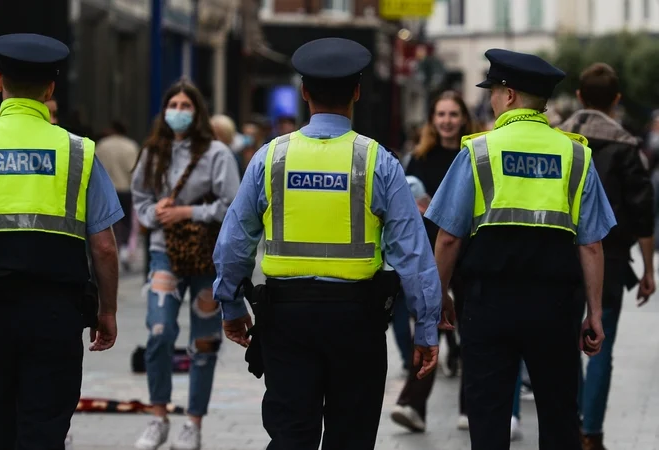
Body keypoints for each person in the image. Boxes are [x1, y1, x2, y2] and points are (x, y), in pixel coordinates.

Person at [212, 37, 443, 450]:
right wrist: (426, 326)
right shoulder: (378, 162)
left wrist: (230, 304)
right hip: (357, 321)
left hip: (286, 321)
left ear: (304, 92)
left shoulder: (270, 158)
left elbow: (235, 241)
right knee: (350, 437)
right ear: (357, 91)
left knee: (290, 436)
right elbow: (412, 253)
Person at [0, 33, 122, 448]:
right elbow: (104, 246)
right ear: (50, 88)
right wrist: (108, 312)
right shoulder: (79, 152)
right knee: (45, 426)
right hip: (57, 313)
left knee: (0, 420)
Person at [426, 48, 615, 450]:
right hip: (557, 306)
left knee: (489, 412)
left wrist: (439, 295)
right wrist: (594, 313)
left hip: (488, 305)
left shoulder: (479, 151)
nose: (490, 99)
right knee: (559, 412)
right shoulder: (577, 155)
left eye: (493, 90)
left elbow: (448, 237)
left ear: (509, 95)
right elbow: (592, 244)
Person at [131, 79, 241, 450]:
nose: (178, 111)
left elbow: (232, 204)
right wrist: (153, 213)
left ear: (198, 112)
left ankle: (193, 422)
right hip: (165, 253)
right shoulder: (152, 153)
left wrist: (187, 211)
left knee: (204, 341)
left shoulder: (217, 154)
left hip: (206, 257)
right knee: (159, 331)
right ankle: (158, 415)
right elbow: (140, 198)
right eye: (173, 104)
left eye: (186, 105)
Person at [559, 62, 656, 450]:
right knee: (602, 346)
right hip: (611, 262)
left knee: (567, 344)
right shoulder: (627, 147)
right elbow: (643, 214)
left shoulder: (559, 141)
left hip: (563, 260)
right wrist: (648, 270)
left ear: (580, 97)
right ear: (616, 99)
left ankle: (571, 419)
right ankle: (591, 433)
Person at [391, 90, 482, 434]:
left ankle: (468, 408)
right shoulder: (418, 158)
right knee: (428, 327)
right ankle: (413, 405)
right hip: (429, 255)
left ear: (464, 118)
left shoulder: (474, 154)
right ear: (432, 120)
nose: (446, 121)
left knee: (471, 329)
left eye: (453, 114)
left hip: (469, 252)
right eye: (440, 114)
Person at [96, 120, 140, 269]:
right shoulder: (131, 146)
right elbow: (134, 170)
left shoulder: (102, 145)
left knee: (108, 223)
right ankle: (126, 250)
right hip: (125, 189)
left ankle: (114, 247)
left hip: (106, 190)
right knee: (126, 222)